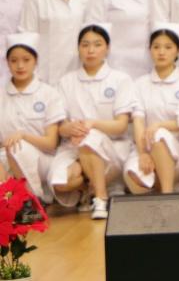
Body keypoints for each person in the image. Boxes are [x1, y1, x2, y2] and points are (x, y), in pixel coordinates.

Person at [50, 23, 136, 219]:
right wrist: (70, 128)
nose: (90, 50)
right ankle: (87, 187)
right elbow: (60, 127)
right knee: (61, 181)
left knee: (90, 139)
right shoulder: (66, 82)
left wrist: (92, 124)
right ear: (78, 48)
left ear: (108, 48)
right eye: (85, 45)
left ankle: (100, 198)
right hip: (73, 146)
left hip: (112, 147)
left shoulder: (120, 79)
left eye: (97, 44)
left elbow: (121, 126)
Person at [124, 24, 179, 195]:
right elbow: (138, 121)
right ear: (150, 50)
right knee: (135, 181)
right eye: (156, 47)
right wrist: (143, 153)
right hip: (146, 147)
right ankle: (164, 184)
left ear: (178, 50)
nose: (161, 52)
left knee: (160, 134)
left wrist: (160, 125)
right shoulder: (140, 84)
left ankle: (167, 194)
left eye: (168, 47)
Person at [0, 33, 65, 203]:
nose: (20, 66)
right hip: (6, 161)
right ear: (7, 63)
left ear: (36, 61)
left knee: (18, 147)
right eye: (14, 60)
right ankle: (10, 201)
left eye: (26, 60)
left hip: (42, 160)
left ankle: (32, 200)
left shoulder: (49, 94)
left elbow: (50, 143)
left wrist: (23, 135)